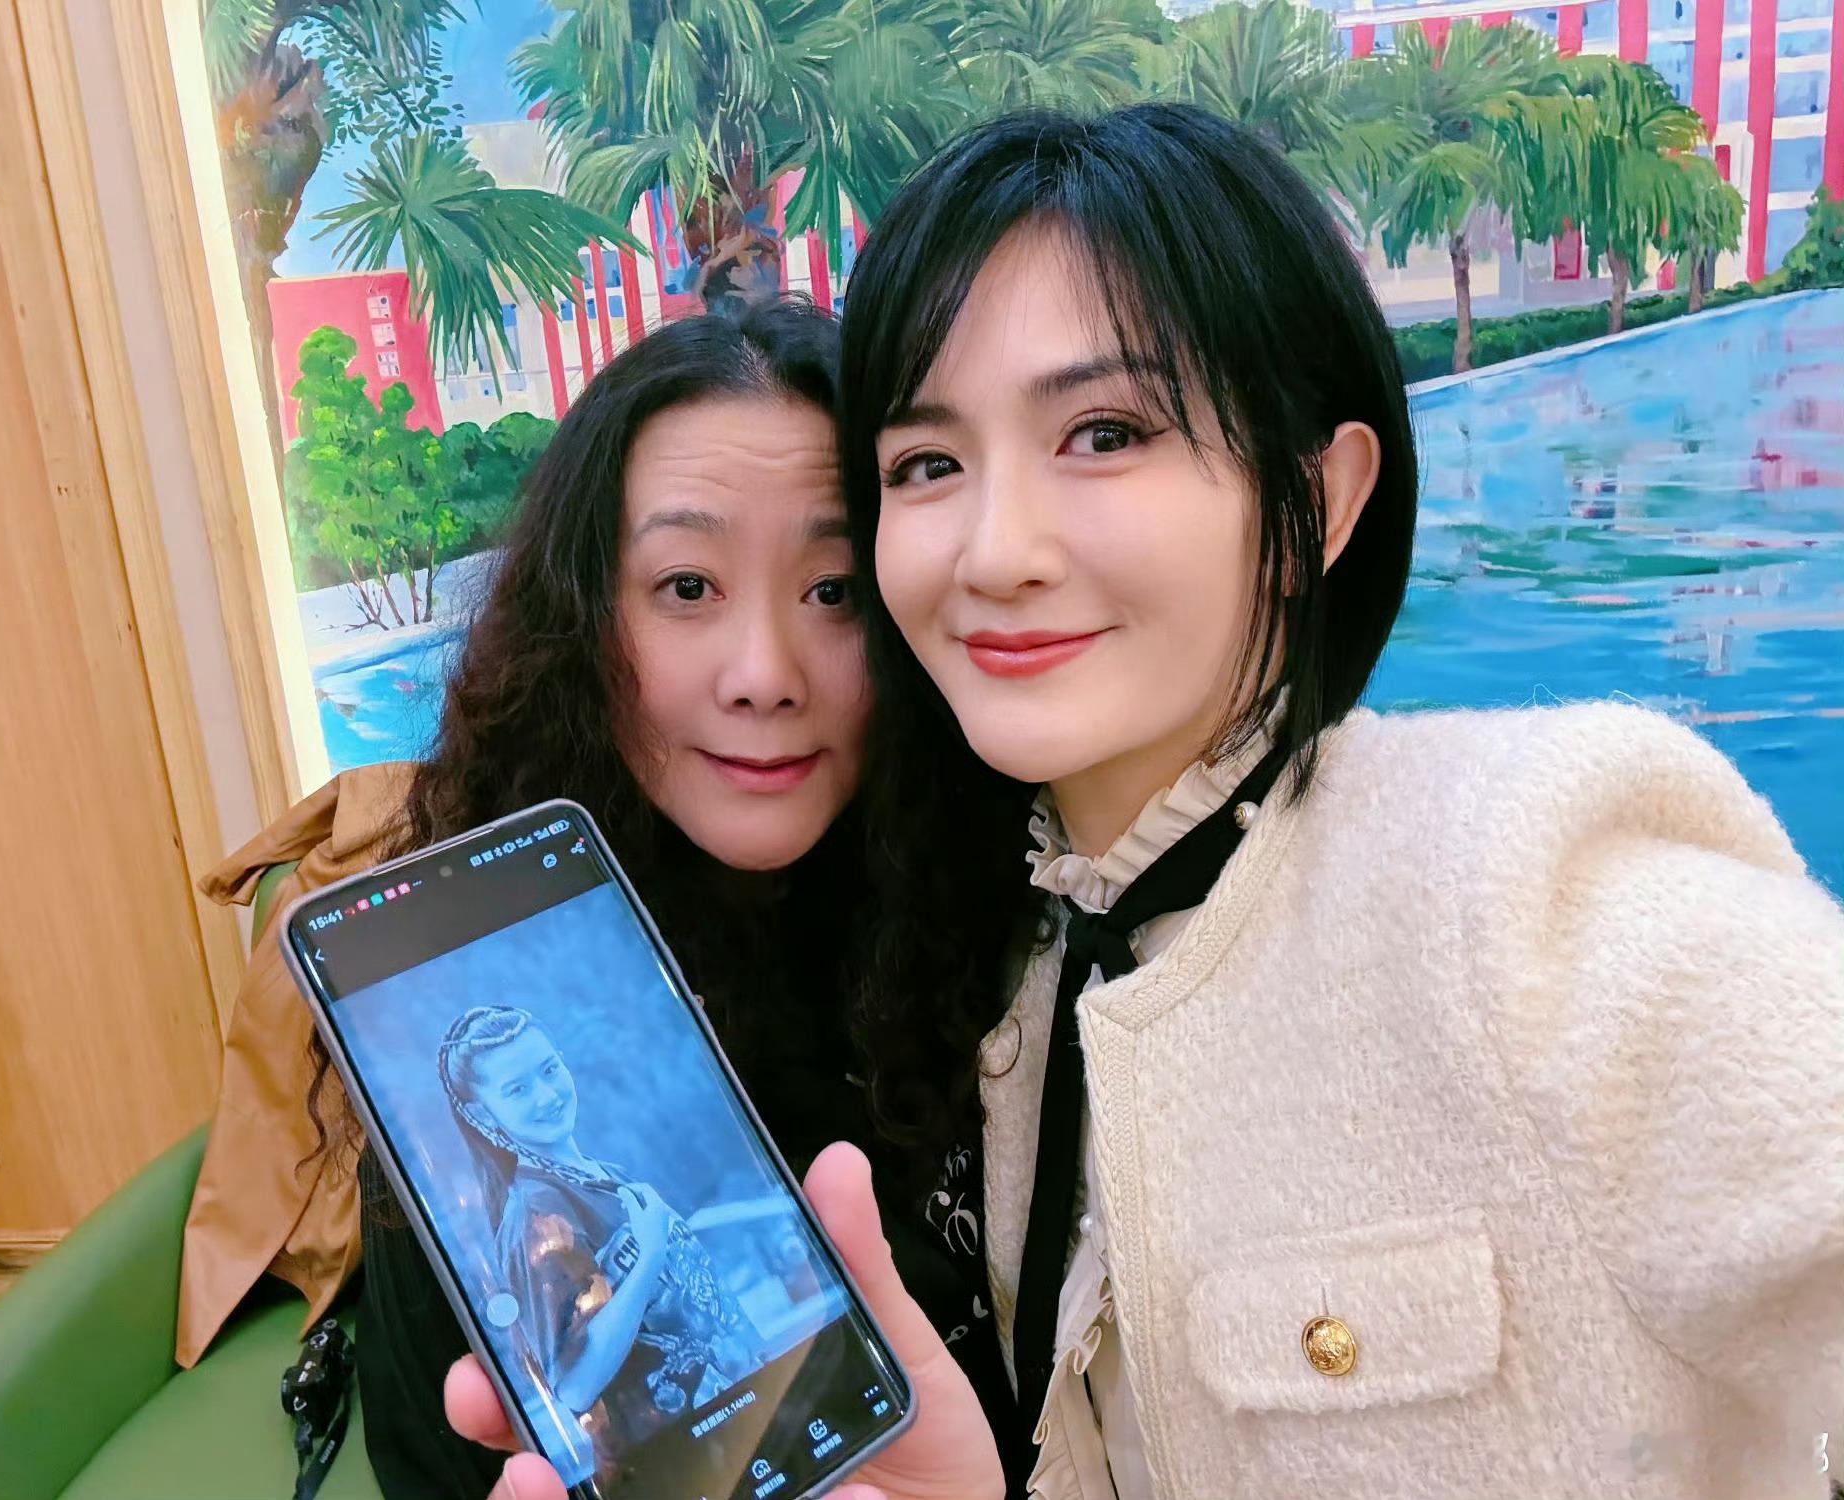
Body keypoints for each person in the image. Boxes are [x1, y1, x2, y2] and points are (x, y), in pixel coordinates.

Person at [819, 102, 1844, 1500]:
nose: (994, 552)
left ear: (1323, 496)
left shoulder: (1533, 893)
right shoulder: (1012, 967)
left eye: (1104, 433)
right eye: (927, 465)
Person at [175, 298, 1040, 1500]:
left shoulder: (1015, 914)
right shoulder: (504, 1008)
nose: (763, 676)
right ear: (584, 624)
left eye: (834, 590)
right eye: (685, 586)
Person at [437, 1005, 761, 1468]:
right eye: (517, 1089)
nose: (546, 1095)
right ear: (481, 1114)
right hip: (675, 1459)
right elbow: (574, 1386)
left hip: (743, 1421)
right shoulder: (533, 1214)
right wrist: (649, 1257)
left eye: (549, 1069)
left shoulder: (607, 1175)